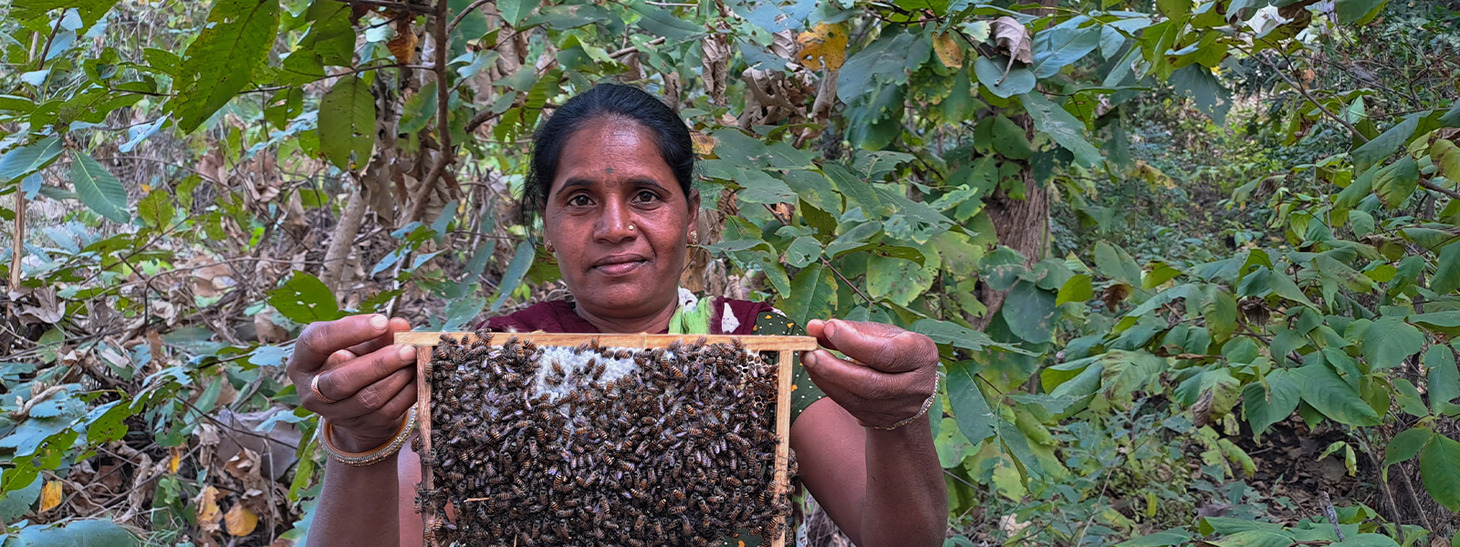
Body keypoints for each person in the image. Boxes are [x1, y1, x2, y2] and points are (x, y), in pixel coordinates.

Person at [286, 83, 947, 546]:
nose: (614, 226)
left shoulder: (751, 343)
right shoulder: (498, 356)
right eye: (579, 199)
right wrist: (360, 439)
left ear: (689, 214)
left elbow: (900, 539)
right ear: (546, 223)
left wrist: (899, 421)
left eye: (645, 195)